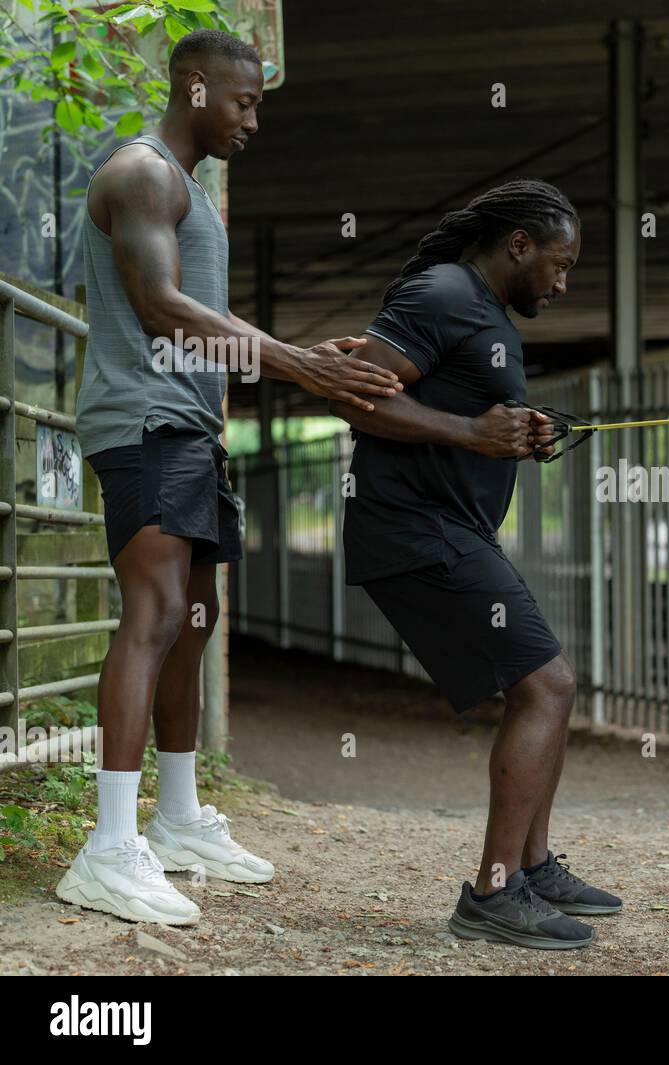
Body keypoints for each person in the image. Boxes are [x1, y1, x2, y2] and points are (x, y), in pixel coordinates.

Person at [56, 29, 403, 926]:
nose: (254, 120)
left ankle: (173, 820)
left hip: (190, 427)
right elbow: (160, 305)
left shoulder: (187, 188)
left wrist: (296, 356)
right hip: (143, 422)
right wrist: (300, 367)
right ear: (196, 85)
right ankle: (106, 846)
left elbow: (196, 311)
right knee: (157, 613)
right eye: (245, 102)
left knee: (195, 620)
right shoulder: (141, 173)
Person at [332, 179, 621, 950]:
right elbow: (353, 396)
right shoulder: (444, 292)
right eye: (558, 266)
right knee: (548, 683)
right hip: (413, 530)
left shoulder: (483, 310)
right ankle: (493, 892)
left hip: (449, 528)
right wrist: (470, 432)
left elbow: (472, 413)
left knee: (550, 684)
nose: (562, 283)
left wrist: (516, 432)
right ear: (518, 245)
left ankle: (531, 867)